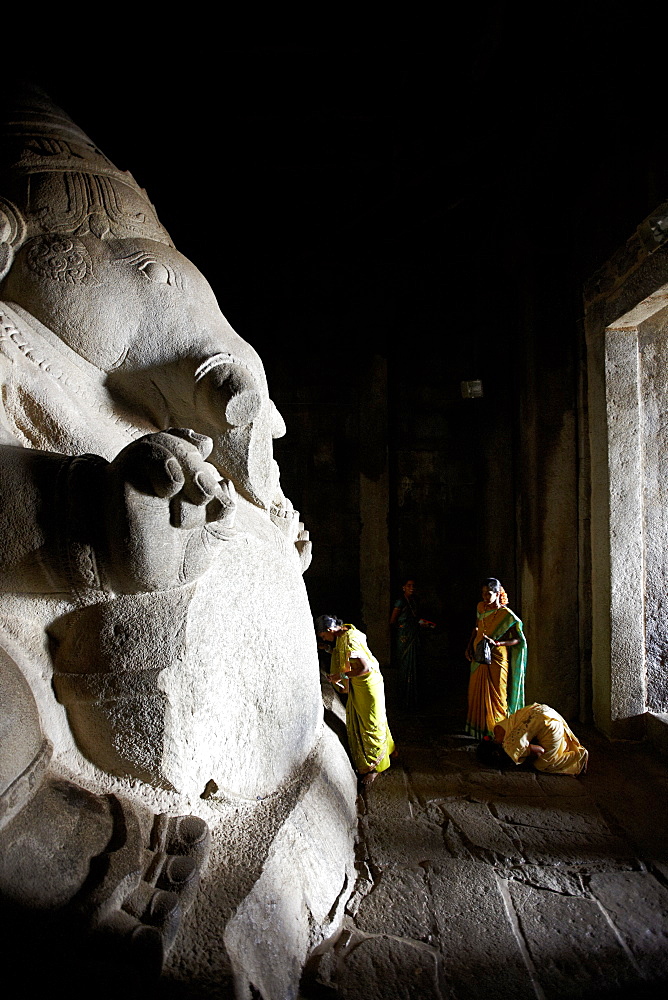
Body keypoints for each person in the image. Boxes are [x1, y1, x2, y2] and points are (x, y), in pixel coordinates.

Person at [314, 614, 395, 785]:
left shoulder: (349, 640)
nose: (325, 639)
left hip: (367, 686)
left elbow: (364, 668)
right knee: (374, 719)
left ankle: (375, 767)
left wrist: (339, 676)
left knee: (370, 724)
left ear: (329, 630)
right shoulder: (346, 632)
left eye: (323, 636)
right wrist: (328, 649)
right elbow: (343, 653)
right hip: (364, 685)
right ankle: (388, 751)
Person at [465, 577, 527, 739]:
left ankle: (496, 731)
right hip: (479, 655)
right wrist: (469, 645)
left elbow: (517, 640)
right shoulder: (481, 607)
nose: (485, 597)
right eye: (483, 593)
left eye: (489, 593)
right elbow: (477, 627)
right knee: (475, 692)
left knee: (498, 695)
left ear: (498, 593)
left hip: (497, 658)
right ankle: (477, 728)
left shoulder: (507, 615)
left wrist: (497, 643)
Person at [477, 703, 588, 775]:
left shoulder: (510, 746)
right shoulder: (498, 728)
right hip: (545, 710)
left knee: (543, 764)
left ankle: (578, 757)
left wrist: (522, 754)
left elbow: (540, 750)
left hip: (551, 725)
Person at [389, 578, 427, 710]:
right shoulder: (400, 601)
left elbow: (416, 619)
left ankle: (414, 697)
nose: (412, 588)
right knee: (405, 665)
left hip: (414, 635)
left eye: (413, 585)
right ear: (403, 587)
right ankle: (403, 697)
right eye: (409, 585)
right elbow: (393, 620)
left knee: (415, 664)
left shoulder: (415, 601)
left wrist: (424, 624)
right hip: (404, 638)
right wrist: (404, 629)